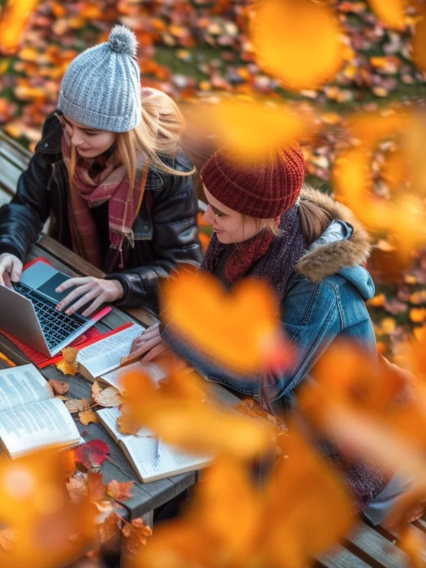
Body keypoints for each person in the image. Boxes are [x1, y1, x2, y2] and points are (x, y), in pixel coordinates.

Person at [128, 142, 399, 521]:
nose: (207, 219)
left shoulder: (317, 282)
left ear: (262, 215)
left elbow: (271, 378)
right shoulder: (247, 233)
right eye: (208, 204)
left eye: (219, 212)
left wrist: (184, 340)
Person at [0, 25, 202, 317]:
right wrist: (8, 247)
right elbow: (27, 204)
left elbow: (184, 269)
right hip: (68, 275)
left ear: (122, 129)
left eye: (90, 131)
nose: (74, 140)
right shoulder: (58, 136)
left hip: (135, 305)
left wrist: (117, 287)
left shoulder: (165, 170)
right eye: (68, 124)